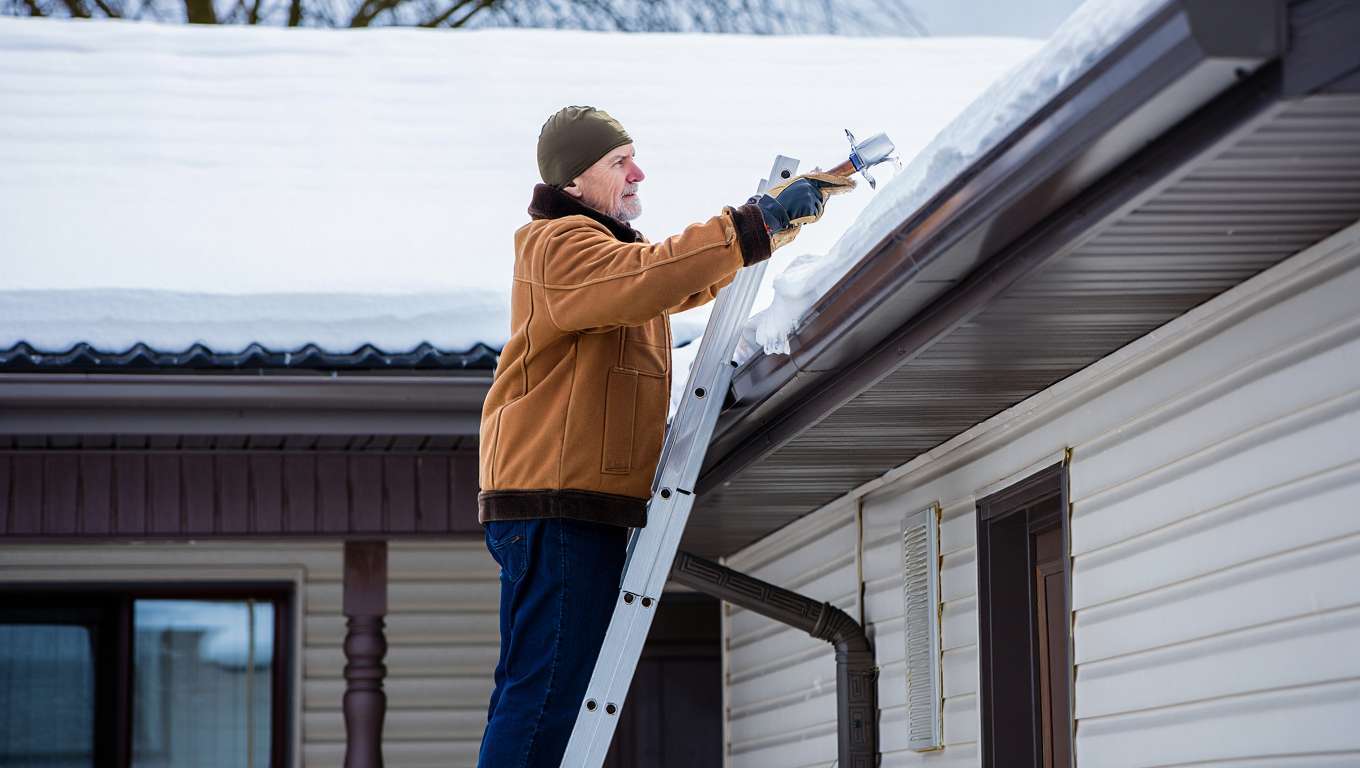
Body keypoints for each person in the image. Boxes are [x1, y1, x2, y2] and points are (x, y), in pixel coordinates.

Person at [476, 105, 852, 767]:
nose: (637, 172)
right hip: (557, 502)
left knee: (541, 693)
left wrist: (774, 224)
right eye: (619, 162)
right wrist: (752, 223)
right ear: (572, 183)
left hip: (565, 501)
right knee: (544, 700)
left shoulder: (599, 254)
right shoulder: (559, 246)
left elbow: (675, 282)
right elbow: (650, 276)